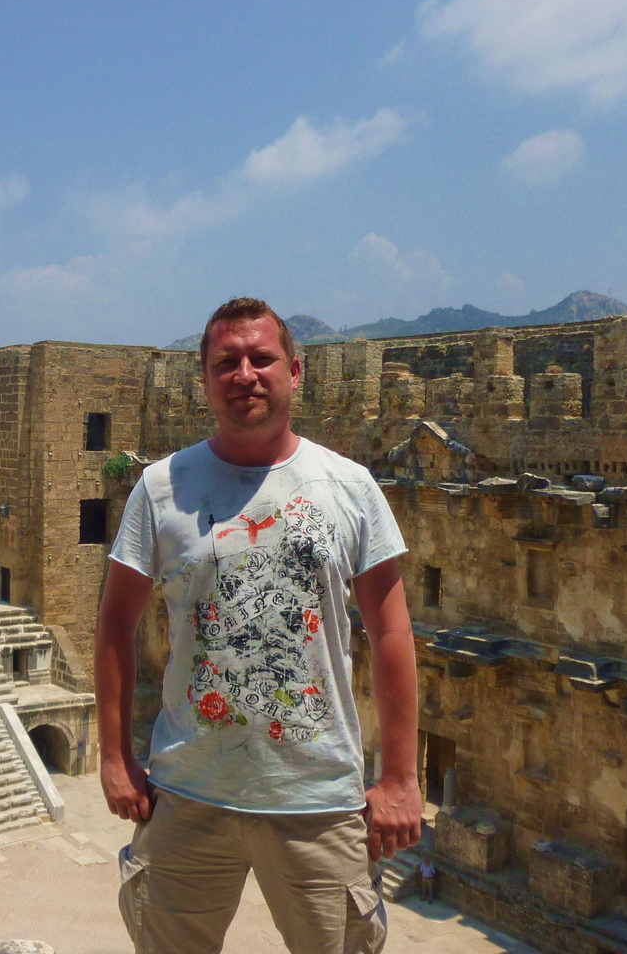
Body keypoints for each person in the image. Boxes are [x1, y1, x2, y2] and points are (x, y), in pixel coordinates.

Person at [95, 297, 421, 954]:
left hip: (317, 797)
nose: (245, 373)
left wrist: (401, 778)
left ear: (294, 372)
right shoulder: (160, 489)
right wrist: (112, 756)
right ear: (206, 380)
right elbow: (114, 625)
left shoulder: (350, 486)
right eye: (227, 362)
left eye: (261, 358)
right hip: (188, 792)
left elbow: (391, 633)